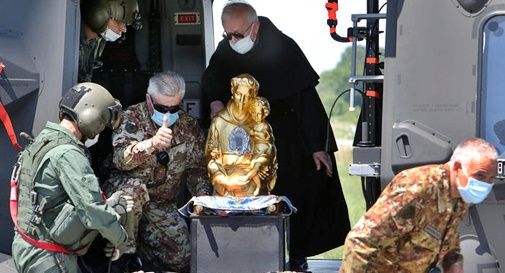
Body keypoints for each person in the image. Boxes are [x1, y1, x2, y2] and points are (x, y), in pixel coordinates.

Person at [201, 1, 350, 269]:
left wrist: (318, 146)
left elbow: (306, 100)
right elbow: (212, 79)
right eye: (228, 34)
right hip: (243, 139)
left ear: (255, 28)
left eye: (238, 34)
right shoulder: (227, 48)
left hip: (285, 136)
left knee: (295, 193)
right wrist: (214, 101)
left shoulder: (284, 48)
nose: (232, 40)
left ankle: (295, 255)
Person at [11, 82, 130, 272]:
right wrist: (121, 239)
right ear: (92, 116)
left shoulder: (44, 139)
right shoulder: (69, 154)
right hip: (48, 257)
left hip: (27, 246)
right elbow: (92, 209)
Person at [105, 71, 212, 272]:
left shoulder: (189, 126)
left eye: (174, 108)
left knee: (183, 259)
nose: (168, 114)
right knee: (134, 190)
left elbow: (195, 170)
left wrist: (204, 199)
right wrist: (152, 144)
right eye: (162, 108)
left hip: (161, 205)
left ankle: (142, 252)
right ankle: (122, 259)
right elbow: (121, 160)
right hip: (126, 199)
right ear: (149, 99)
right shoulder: (131, 118)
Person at [339, 137, 498, 273]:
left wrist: (454, 266)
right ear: (457, 168)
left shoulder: (459, 197)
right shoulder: (417, 187)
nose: (486, 184)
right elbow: (360, 241)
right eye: (480, 176)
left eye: (491, 178)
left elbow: (449, 247)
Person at [205, 74, 277, 196]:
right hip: (226, 186)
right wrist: (222, 179)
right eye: (239, 94)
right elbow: (210, 156)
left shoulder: (259, 122)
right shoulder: (219, 121)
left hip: (254, 185)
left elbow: (268, 151)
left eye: (247, 95)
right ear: (233, 91)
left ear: (253, 95)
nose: (242, 101)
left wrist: (260, 167)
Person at [79, 0, 141, 82]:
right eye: (120, 22)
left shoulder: (97, 45)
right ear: (100, 13)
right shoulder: (66, 36)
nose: (124, 30)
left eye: (125, 25)